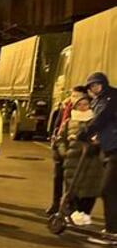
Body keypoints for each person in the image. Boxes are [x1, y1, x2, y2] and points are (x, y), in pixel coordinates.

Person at [78, 72, 117, 244]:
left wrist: (85, 134)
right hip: (110, 148)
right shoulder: (100, 99)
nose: (94, 88)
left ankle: (112, 232)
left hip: (115, 150)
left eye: (96, 84)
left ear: (104, 84)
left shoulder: (110, 98)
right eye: (91, 86)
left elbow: (101, 119)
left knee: (108, 190)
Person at [55, 95, 103, 225]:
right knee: (72, 190)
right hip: (72, 162)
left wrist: (96, 145)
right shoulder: (68, 122)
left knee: (89, 191)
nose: (82, 107)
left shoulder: (96, 122)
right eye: (79, 105)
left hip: (91, 162)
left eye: (86, 104)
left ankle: (84, 214)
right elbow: (60, 140)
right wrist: (64, 153)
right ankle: (71, 214)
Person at [48, 85, 89, 215]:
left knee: (70, 180)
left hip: (74, 152)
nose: (74, 98)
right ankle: (55, 203)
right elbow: (58, 123)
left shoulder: (85, 113)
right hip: (60, 146)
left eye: (77, 96)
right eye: (73, 95)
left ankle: (67, 206)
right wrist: (54, 137)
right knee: (57, 177)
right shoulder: (65, 107)